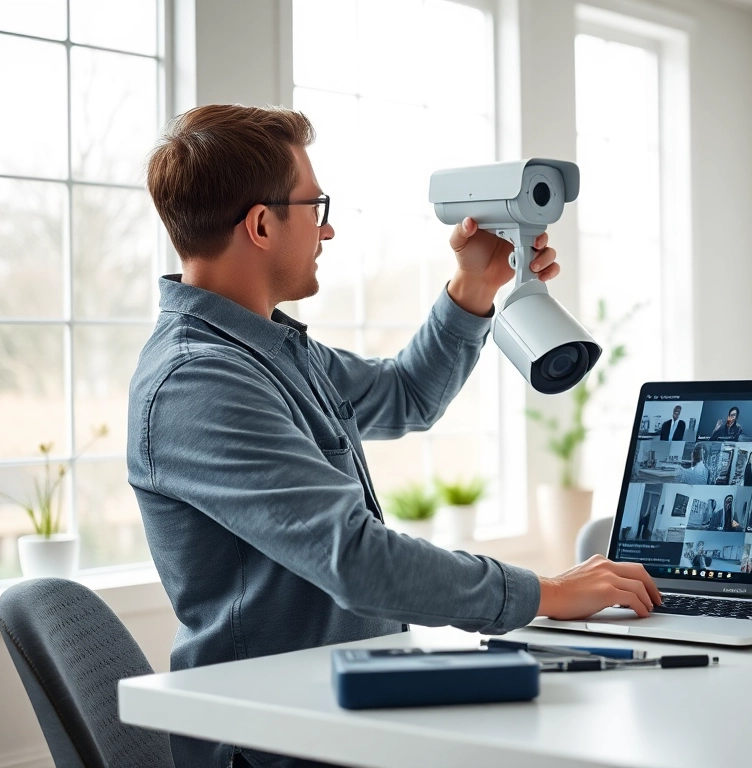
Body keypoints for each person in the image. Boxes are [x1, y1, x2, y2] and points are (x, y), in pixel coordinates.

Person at [130, 105, 661, 768]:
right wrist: (545, 593)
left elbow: (406, 395)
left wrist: (476, 282)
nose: (326, 228)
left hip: (343, 706)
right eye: (314, 206)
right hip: (274, 742)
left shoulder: (271, 352)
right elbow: (354, 558)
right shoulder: (198, 382)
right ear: (262, 224)